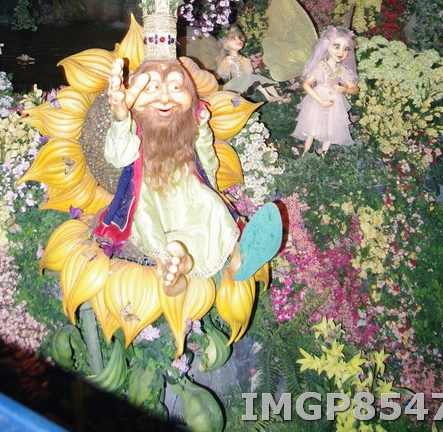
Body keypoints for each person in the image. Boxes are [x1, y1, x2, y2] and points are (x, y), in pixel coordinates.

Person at [93, 56, 283, 295]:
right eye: (151, 88)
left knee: (211, 206)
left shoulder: (191, 120)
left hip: (186, 183)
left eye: (176, 87)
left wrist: (213, 186)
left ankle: (238, 252)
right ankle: (169, 268)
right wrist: (121, 118)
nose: (165, 98)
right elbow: (118, 156)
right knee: (147, 220)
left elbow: (205, 152)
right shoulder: (132, 124)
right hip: (148, 189)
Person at [292, 28, 358, 156]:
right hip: (319, 97)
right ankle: (305, 153)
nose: (341, 52)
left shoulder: (342, 70)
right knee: (312, 128)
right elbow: (306, 85)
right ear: (326, 46)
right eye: (336, 47)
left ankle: (323, 156)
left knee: (331, 129)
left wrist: (345, 89)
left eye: (345, 49)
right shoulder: (320, 66)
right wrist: (321, 101)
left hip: (334, 101)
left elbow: (354, 88)